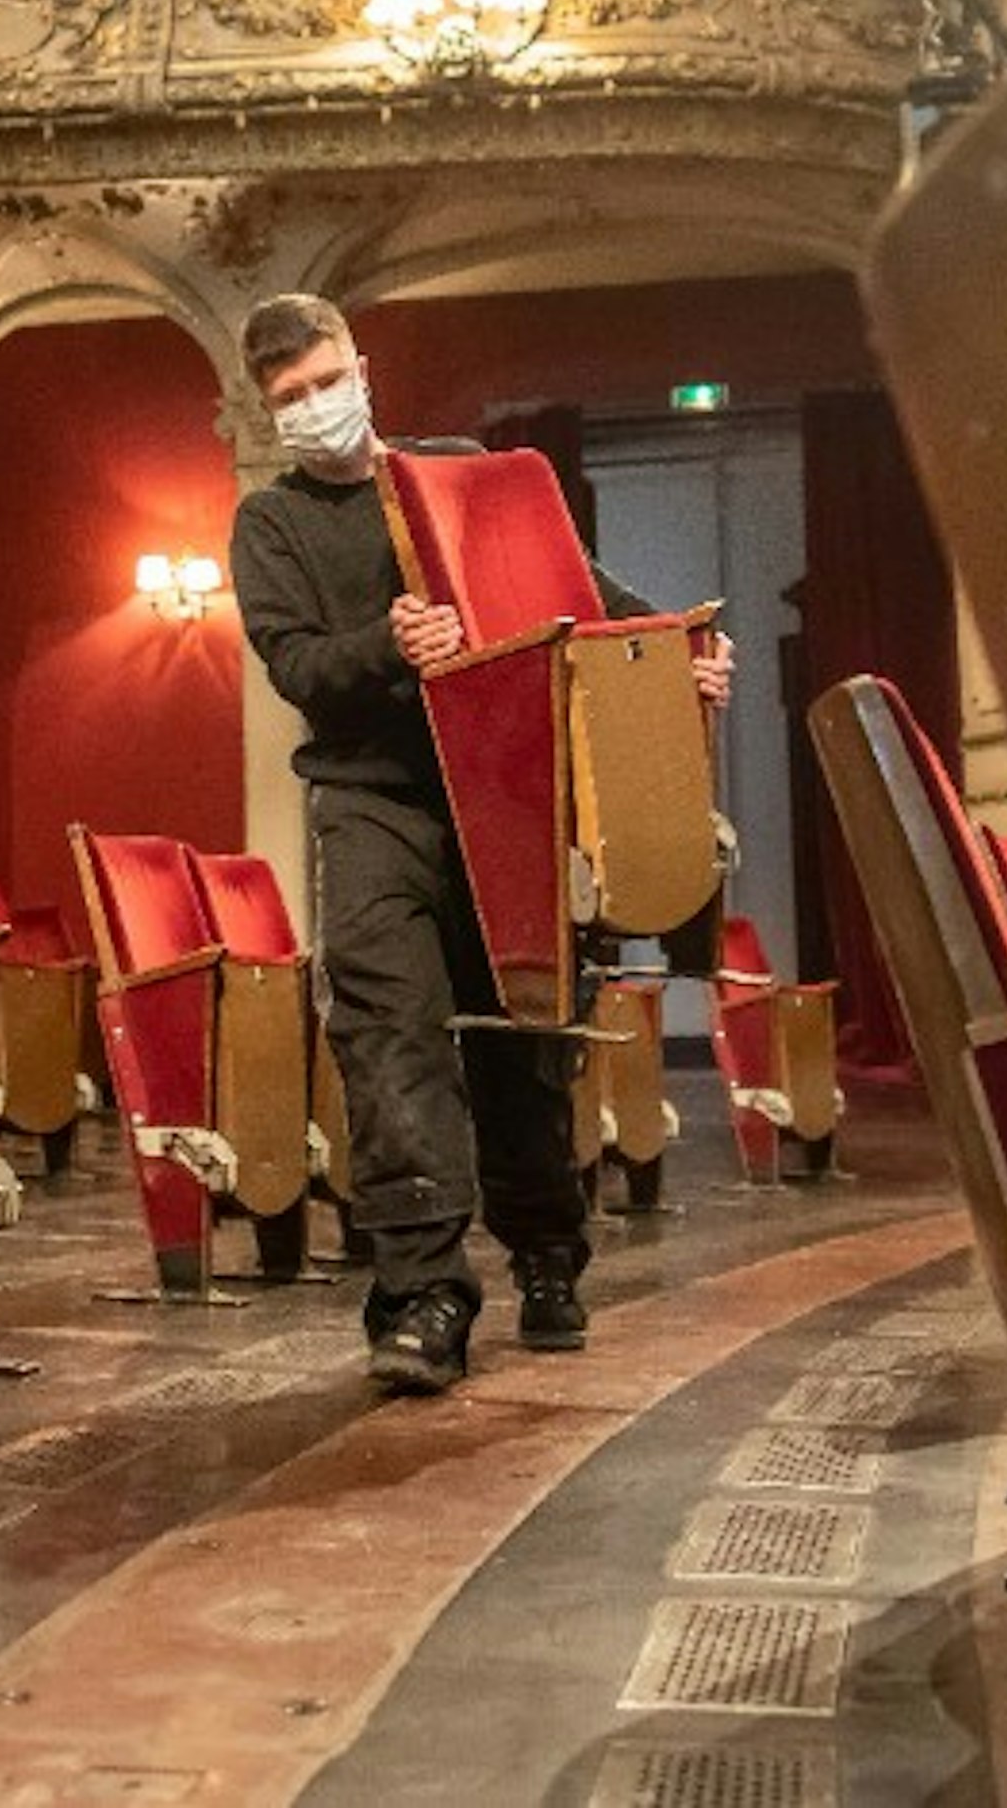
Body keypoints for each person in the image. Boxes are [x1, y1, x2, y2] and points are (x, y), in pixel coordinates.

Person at [228, 293, 733, 1395]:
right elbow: (297, 667)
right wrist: (386, 641)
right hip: (372, 801)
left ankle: (550, 1256)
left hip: (501, 792)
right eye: (290, 398)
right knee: (385, 1027)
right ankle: (423, 1295)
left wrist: (679, 658)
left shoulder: (456, 470)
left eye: (325, 380)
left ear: (361, 367)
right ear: (268, 413)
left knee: (523, 1028)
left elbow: (580, 594)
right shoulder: (272, 524)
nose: (315, 407)